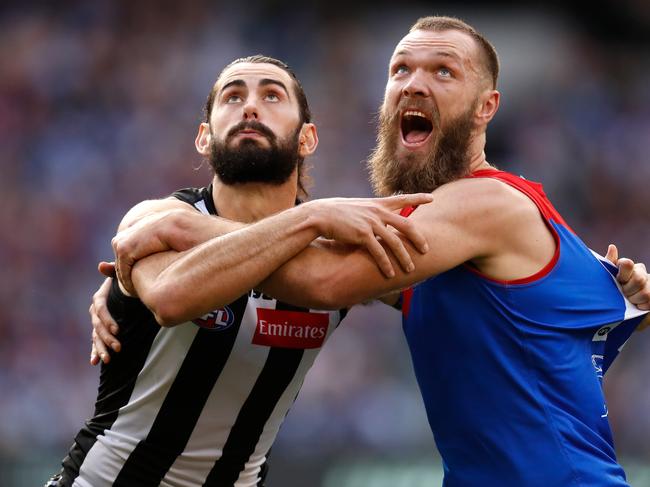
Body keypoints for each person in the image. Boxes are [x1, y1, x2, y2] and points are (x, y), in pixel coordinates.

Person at [91, 17, 650, 486]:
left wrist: (184, 237)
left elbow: (322, 278)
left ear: (487, 107)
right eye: (400, 69)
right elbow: (575, 309)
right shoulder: (438, 247)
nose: (413, 83)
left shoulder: (488, 202)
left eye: (443, 71)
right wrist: (128, 283)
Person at [47, 55, 433, 487]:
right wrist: (313, 218)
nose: (250, 107)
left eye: (272, 95)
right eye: (233, 96)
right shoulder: (155, 219)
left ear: (307, 138)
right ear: (204, 139)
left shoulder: (335, 248)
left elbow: (445, 290)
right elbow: (172, 300)